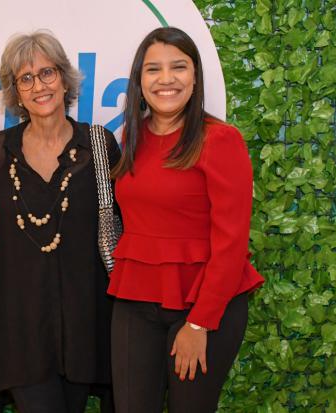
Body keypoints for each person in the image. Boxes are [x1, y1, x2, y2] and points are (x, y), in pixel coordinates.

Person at [107, 27, 265, 413]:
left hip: (203, 305)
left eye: (178, 67)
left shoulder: (221, 140)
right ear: (139, 80)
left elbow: (230, 245)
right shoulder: (132, 136)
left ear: (195, 76)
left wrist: (200, 324)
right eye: (153, 69)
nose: (166, 79)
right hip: (134, 300)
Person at [0, 30, 120, 413]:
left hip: (84, 321)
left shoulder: (100, 145)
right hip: (20, 323)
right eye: (26, 78)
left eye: (47, 72)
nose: (38, 85)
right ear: (15, 91)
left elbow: (124, 226)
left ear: (64, 77)